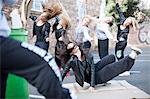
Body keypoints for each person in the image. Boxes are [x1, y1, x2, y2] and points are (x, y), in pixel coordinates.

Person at [0, 0, 74, 98]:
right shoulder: (36, 20)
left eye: (43, 14)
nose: (41, 15)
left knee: (47, 60)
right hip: (36, 42)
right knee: (44, 63)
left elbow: (47, 34)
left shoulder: (46, 24)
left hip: (43, 43)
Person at [62, 42, 142, 91]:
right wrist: (92, 85)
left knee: (110, 57)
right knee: (109, 69)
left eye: (74, 46)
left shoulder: (87, 54)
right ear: (71, 52)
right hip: (92, 78)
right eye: (71, 48)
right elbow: (64, 72)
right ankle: (132, 55)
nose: (75, 48)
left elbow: (93, 69)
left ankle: (106, 75)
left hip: (93, 71)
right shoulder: (72, 61)